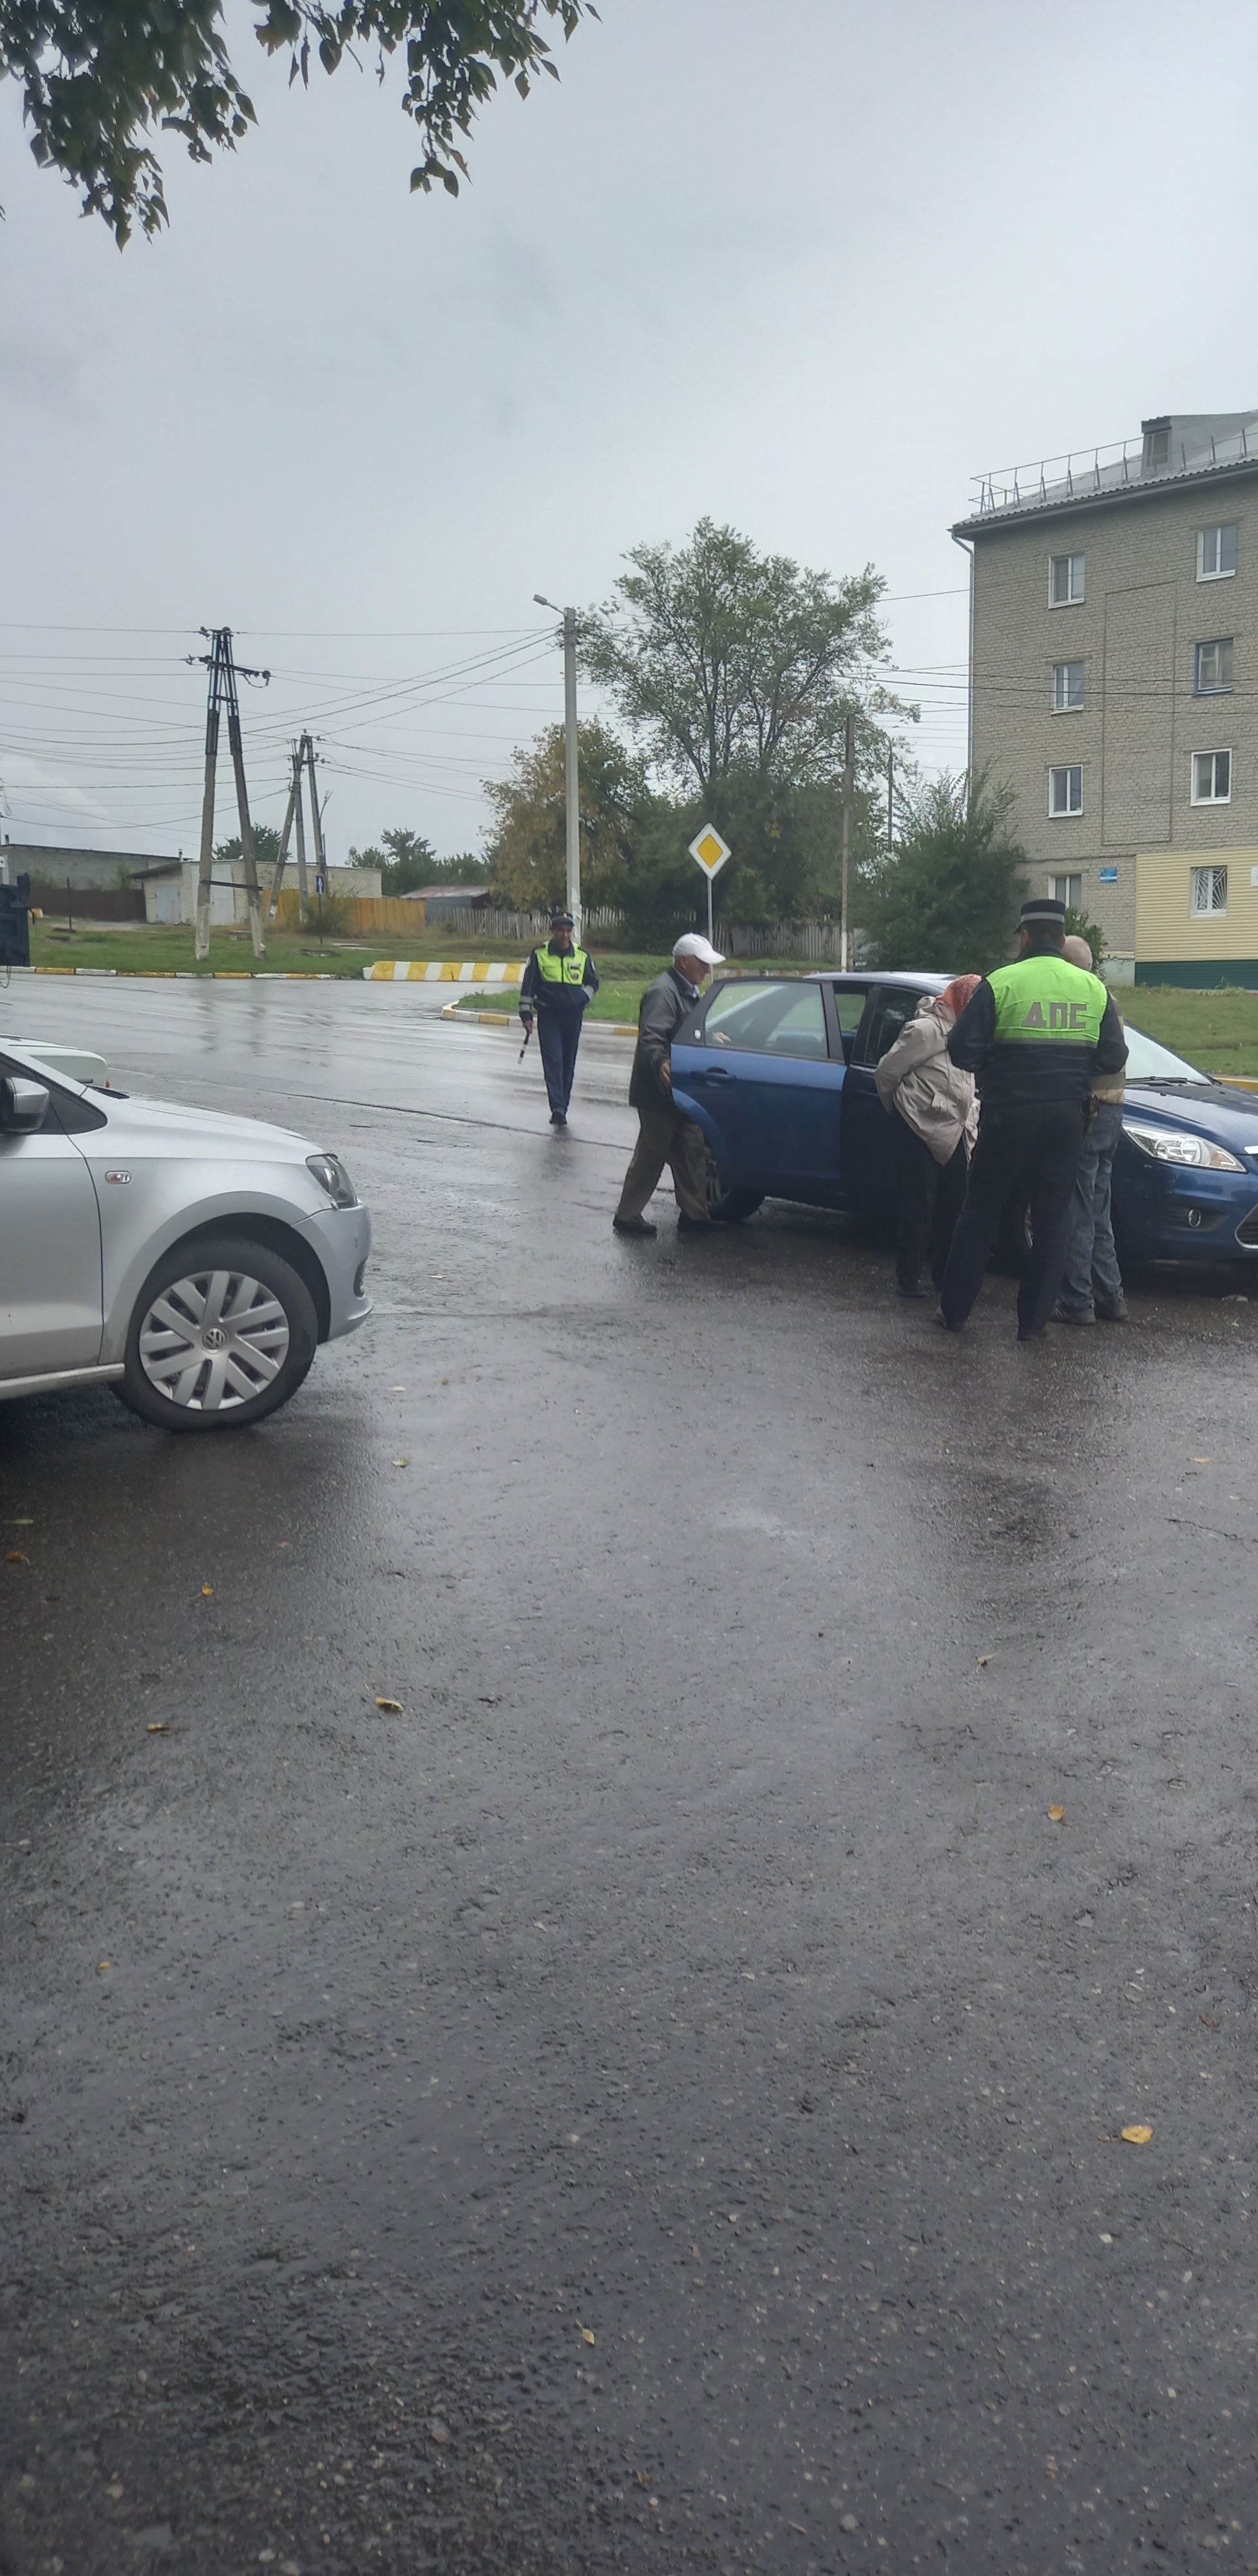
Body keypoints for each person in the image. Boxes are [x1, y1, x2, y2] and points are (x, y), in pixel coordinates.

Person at [935, 896, 1127, 1343]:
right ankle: (1033, 1324)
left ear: (1024, 937)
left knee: (980, 1211)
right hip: (1066, 1119)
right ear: (1061, 940)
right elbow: (1113, 1056)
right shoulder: (1092, 988)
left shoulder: (1001, 983)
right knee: (1051, 1218)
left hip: (1008, 1114)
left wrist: (997, 1067)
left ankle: (955, 1313)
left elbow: (961, 1049)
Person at [874, 974, 982, 1299]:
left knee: (957, 1204)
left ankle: (943, 1275)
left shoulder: (970, 1034)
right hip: (917, 1126)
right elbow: (886, 1074)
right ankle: (909, 1278)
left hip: (956, 1129)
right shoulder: (924, 1031)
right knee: (918, 1205)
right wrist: (904, 1112)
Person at [612, 933, 725, 1237]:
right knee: (652, 1155)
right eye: (702, 963)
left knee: (692, 1150)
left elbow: (686, 1030)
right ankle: (627, 1215)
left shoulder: (688, 990)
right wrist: (661, 1061)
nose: (707, 970)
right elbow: (652, 1036)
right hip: (659, 1091)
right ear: (684, 962)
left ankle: (694, 1216)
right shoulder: (664, 992)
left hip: (682, 1090)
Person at [1052, 934, 1129, 1325]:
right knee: (1100, 1210)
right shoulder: (1108, 998)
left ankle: (1077, 1301)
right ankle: (1110, 1296)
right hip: (1113, 1111)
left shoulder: (1085, 998)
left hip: (1090, 1112)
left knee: (1079, 1210)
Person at [519, 909, 599, 1126]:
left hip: (573, 1017)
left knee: (568, 1062)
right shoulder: (539, 954)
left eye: (568, 931)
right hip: (549, 1016)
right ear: (552, 931)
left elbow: (594, 983)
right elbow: (529, 986)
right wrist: (526, 1015)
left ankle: (564, 1103)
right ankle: (558, 1108)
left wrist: (582, 998)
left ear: (572, 932)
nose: (565, 935)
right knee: (554, 1061)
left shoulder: (583, 956)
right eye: (560, 931)